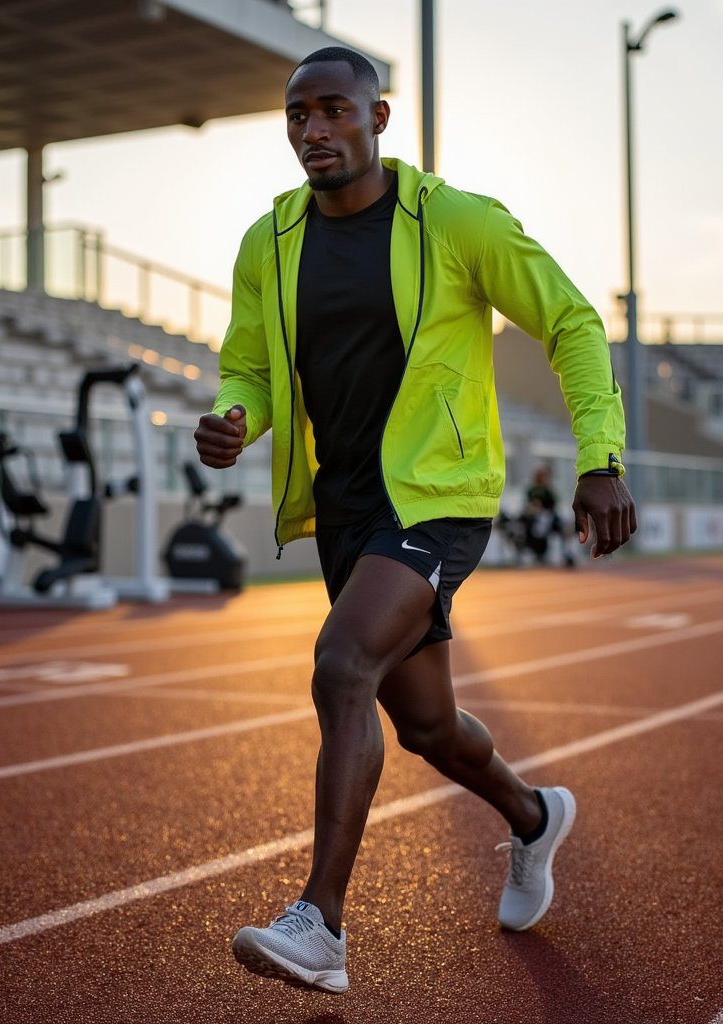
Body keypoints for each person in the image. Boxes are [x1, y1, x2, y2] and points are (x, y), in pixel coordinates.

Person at [194, 46, 637, 994]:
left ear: (379, 117)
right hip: (348, 505)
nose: (315, 131)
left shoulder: (454, 220)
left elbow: (570, 322)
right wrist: (238, 416)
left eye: (335, 112)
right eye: (299, 116)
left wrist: (600, 457)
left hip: (439, 497)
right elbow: (252, 368)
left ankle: (321, 923)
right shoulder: (267, 242)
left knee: (342, 662)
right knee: (427, 723)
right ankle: (531, 816)